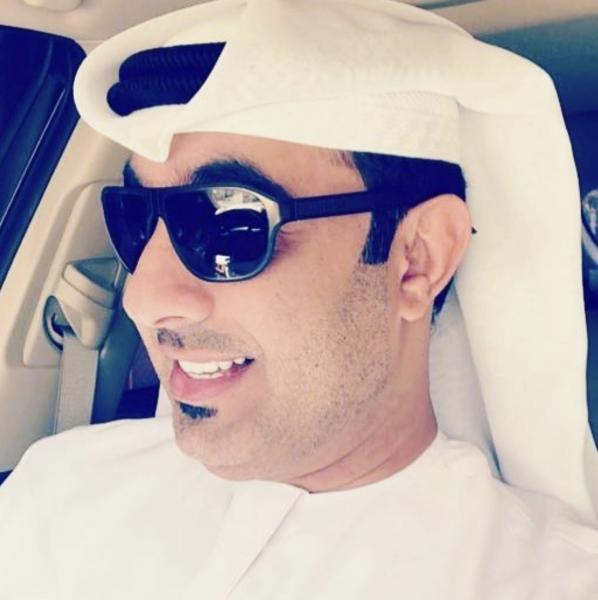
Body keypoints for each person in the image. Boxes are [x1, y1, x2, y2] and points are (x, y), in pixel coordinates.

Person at [1, 0, 597, 598]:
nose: (144, 297)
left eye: (229, 223)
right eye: (135, 220)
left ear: (418, 258)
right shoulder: (56, 495)